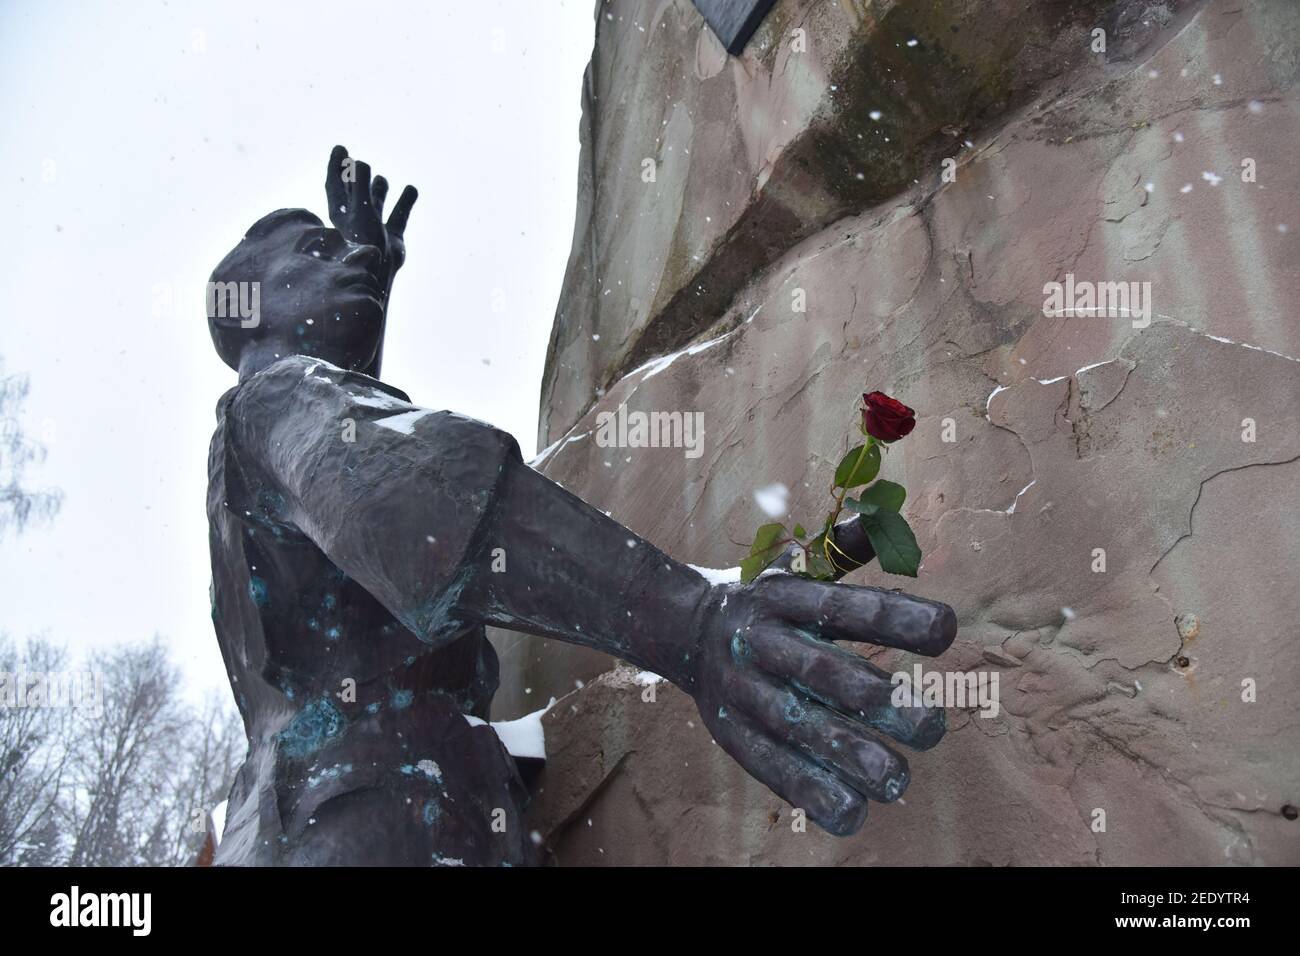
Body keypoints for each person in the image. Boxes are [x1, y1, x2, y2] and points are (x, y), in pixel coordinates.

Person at [205, 147, 957, 866]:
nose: (351, 258)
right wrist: (690, 621)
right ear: (248, 309)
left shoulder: (254, 458)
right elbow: (404, 501)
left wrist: (368, 282)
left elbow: (350, 480)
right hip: (378, 823)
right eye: (314, 252)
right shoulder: (272, 404)